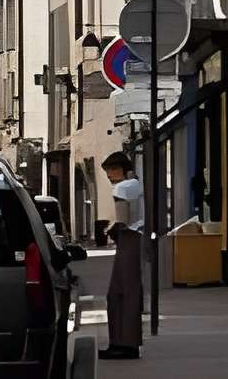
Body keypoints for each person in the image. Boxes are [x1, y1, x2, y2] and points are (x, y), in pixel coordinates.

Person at [103, 150, 145, 360]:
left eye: (111, 170)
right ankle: (127, 342)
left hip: (128, 239)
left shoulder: (123, 187)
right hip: (137, 238)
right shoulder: (137, 184)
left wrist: (113, 229)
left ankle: (121, 343)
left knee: (119, 293)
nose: (109, 175)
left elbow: (123, 220)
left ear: (121, 169)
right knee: (128, 292)